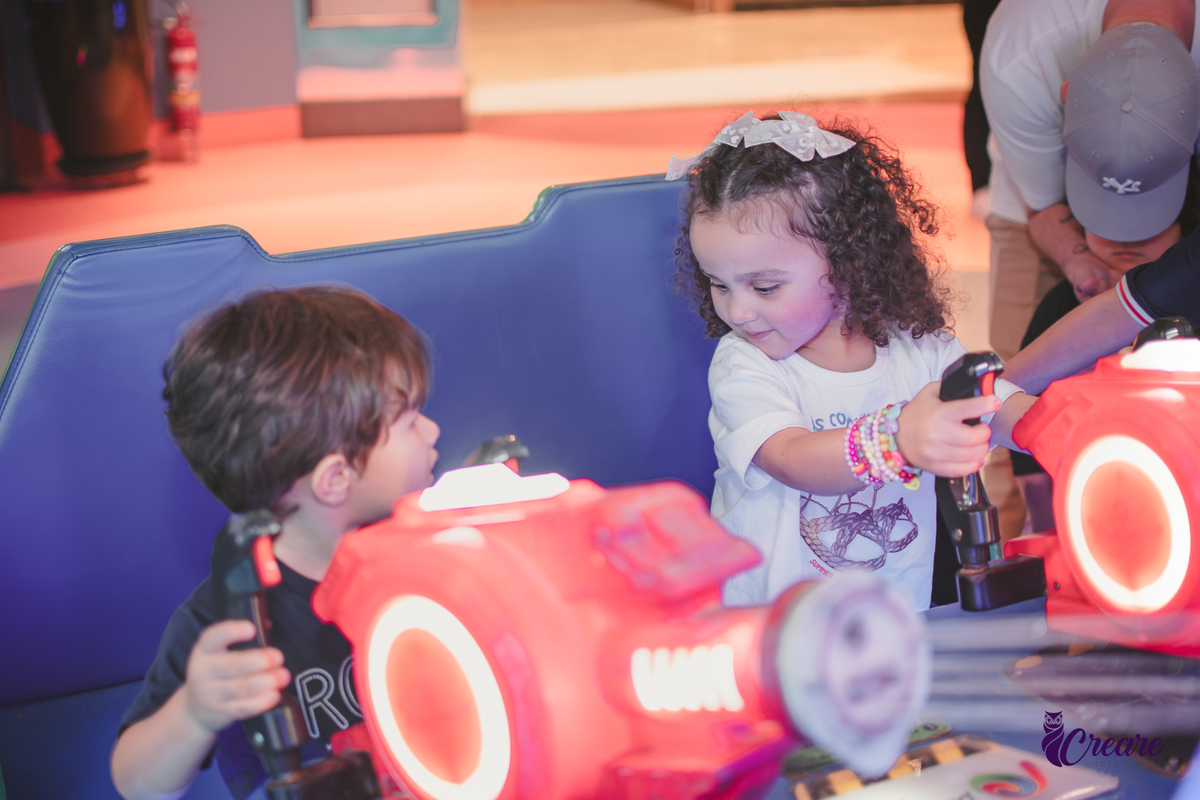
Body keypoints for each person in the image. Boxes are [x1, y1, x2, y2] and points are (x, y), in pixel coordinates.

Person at [668, 111, 1035, 614]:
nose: (737, 310)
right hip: (772, 636)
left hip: (890, 624)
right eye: (718, 284)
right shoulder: (746, 365)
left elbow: (994, 402)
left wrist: (1062, 430)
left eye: (765, 286)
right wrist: (896, 440)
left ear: (847, 260)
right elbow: (793, 458)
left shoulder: (917, 348)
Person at [110, 287, 440, 800]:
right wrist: (195, 710)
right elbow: (135, 783)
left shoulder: (432, 554)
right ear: (335, 479)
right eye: (411, 420)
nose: (432, 429)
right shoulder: (225, 623)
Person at [1010, 182, 1200, 532]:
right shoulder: (1064, 305)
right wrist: (989, 393)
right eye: (1108, 223)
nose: (1127, 239)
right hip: (1094, 506)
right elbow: (1115, 313)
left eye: (1150, 223)